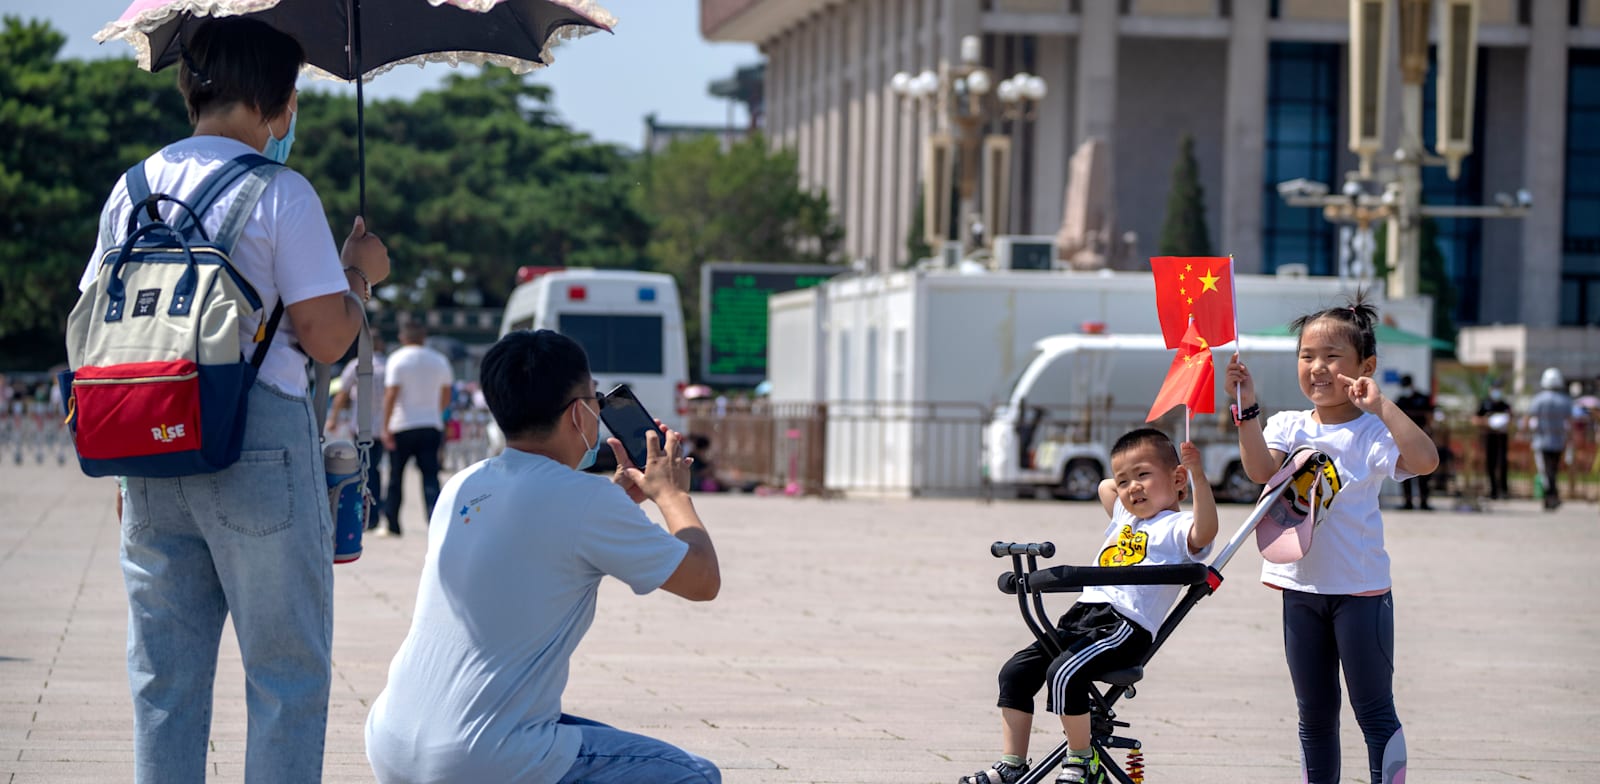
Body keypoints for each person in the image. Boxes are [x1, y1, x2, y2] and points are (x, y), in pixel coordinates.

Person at [78, 17, 390, 783]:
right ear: (278, 104)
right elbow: (323, 337)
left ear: (193, 87)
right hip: (259, 446)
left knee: (164, 678)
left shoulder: (131, 189)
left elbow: (90, 318)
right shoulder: (281, 191)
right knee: (285, 673)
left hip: (148, 444)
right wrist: (360, 278)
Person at [365, 329, 722, 784]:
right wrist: (672, 496)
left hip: (392, 741)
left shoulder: (465, 484)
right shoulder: (586, 502)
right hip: (477, 757)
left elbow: (538, 531)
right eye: (594, 400)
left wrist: (615, 500)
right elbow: (702, 580)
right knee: (693, 775)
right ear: (579, 412)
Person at [1224, 296, 1438, 784]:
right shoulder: (1287, 425)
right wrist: (1246, 405)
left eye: (1331, 356)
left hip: (1360, 594)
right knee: (1314, 717)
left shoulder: (1372, 432)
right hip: (1300, 591)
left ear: (1366, 365)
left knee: (1374, 712)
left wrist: (1381, 405)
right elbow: (1260, 471)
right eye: (1306, 356)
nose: (1317, 368)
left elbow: (1425, 461)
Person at [959, 428, 1217, 784]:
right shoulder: (1127, 517)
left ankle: (1084, 760)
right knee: (1015, 672)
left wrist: (1196, 477)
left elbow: (1205, 532)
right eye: (1125, 480)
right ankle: (1012, 764)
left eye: (1143, 475)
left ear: (1176, 479)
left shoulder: (1177, 525)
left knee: (1064, 673)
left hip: (1124, 625)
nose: (1131, 488)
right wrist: (1133, 482)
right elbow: (1104, 487)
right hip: (1083, 616)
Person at [380, 320, 453, 536]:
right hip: (431, 423)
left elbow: (391, 394)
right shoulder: (439, 360)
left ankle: (393, 523)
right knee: (430, 476)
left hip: (402, 424)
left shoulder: (397, 359)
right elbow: (446, 394)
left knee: (396, 477)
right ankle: (435, 520)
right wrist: (436, 412)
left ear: (403, 338)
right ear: (424, 337)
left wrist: (385, 426)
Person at [325, 333, 389, 530]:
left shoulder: (356, 365)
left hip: (361, 426)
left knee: (363, 470)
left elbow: (342, 393)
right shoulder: (390, 365)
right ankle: (378, 513)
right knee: (376, 469)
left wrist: (333, 418)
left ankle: (365, 513)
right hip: (385, 426)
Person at [1527, 367, 1576, 511]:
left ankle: (1552, 496)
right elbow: (1570, 423)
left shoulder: (1538, 400)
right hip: (1559, 441)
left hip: (1541, 441)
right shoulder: (1565, 401)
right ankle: (1551, 498)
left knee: (1546, 471)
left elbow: (1529, 419)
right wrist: (1571, 439)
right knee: (1552, 469)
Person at [1394, 375, 1434, 510]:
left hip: (1422, 438)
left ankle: (1424, 501)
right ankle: (1408, 501)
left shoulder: (1422, 398)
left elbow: (1430, 416)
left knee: (1424, 471)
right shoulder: (1401, 400)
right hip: (1405, 440)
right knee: (1406, 470)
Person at [1475, 380, 1513, 499]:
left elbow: (1512, 419)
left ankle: (1504, 490)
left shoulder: (1505, 405)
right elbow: (1475, 419)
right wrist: (1488, 422)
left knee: (1502, 463)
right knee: (1490, 464)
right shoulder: (1485, 403)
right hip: (1489, 436)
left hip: (1501, 437)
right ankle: (1493, 490)